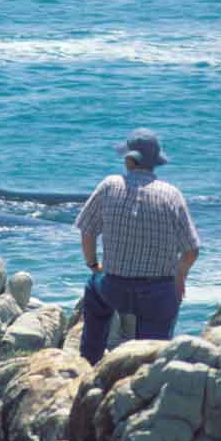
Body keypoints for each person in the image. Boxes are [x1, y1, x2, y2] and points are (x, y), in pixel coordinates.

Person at [74, 128, 201, 365]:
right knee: (154, 351)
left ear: (130, 159)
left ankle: (89, 361)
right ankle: (150, 373)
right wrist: (180, 276)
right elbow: (192, 250)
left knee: (94, 290)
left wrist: (93, 264)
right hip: (158, 292)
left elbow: (87, 230)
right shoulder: (171, 195)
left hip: (114, 288)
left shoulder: (110, 185)